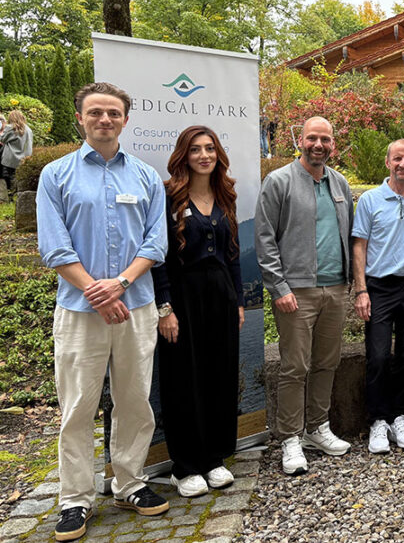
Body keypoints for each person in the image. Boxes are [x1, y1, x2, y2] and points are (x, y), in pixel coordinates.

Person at [37, 83, 170, 542]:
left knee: (135, 399)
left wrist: (121, 285)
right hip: (79, 310)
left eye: (113, 113)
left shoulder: (147, 177)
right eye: (96, 112)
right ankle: (75, 499)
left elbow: (157, 243)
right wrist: (98, 291)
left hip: (136, 305)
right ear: (80, 118)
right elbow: (54, 246)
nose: (105, 120)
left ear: (125, 120)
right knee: (77, 406)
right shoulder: (56, 175)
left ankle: (129, 482)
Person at [256, 116, 353, 476]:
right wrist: (278, 287)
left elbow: (348, 233)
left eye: (325, 139)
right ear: (301, 140)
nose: (318, 145)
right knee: (295, 366)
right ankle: (291, 437)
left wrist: (349, 285)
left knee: (327, 362)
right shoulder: (279, 181)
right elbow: (265, 239)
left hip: (336, 289)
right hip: (296, 292)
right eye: (312, 137)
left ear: (332, 144)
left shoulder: (338, 182)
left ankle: (317, 428)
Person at [151, 126, 244, 497]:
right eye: (195, 149)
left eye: (209, 148)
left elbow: (233, 255)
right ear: (183, 155)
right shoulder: (168, 196)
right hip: (182, 299)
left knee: (218, 376)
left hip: (220, 297)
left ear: (218, 154)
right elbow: (157, 258)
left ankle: (213, 458)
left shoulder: (225, 197)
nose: (203, 155)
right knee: (182, 379)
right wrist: (165, 307)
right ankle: (184, 465)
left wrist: (238, 300)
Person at [351, 139, 404, 454]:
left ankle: (398, 417)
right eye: (398, 158)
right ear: (388, 162)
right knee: (377, 356)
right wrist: (361, 290)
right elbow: (359, 245)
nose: (403, 164)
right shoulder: (371, 200)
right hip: (379, 286)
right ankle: (378, 421)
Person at [1, 110, 33, 198]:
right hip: (24, 158)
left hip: (10, 159)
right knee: (20, 179)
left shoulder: (10, 128)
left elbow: (2, 139)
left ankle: (11, 197)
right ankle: (18, 196)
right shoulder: (28, 129)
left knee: (9, 178)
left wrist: (3, 127)